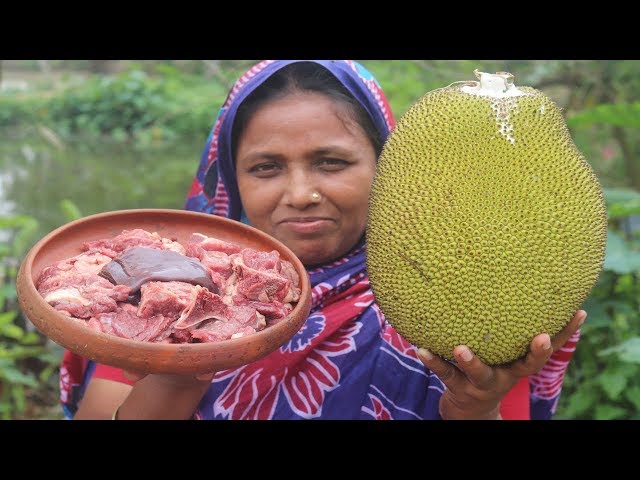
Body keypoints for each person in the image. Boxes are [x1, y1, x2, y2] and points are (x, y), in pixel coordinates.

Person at [60, 60, 585, 420]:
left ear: (389, 167)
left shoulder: (466, 294)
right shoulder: (167, 287)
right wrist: (188, 359)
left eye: (331, 162)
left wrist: (473, 407)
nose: (302, 193)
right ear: (230, 178)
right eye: (265, 167)